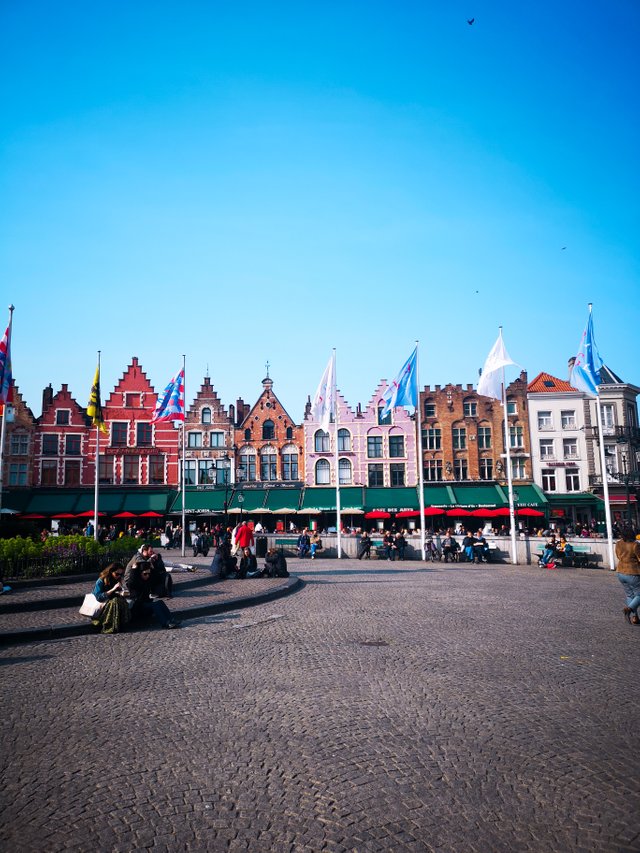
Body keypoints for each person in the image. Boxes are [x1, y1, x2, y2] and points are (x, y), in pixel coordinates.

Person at [127, 561, 181, 629]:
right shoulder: (135, 582)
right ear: (139, 573)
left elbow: (157, 579)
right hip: (138, 606)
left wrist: (152, 569)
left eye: (148, 573)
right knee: (155, 605)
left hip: (146, 604)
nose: (147, 575)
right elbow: (130, 583)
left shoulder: (147, 580)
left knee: (160, 602)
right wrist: (134, 570)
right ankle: (165, 623)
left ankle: (171, 620)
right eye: (145, 574)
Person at [91, 563, 130, 634]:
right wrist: (113, 589)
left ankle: (121, 625)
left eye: (121, 574)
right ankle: (110, 626)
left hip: (115, 601)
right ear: (111, 571)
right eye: (117, 574)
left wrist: (122, 590)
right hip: (103, 604)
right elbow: (99, 597)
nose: (119, 576)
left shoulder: (118, 580)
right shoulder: (101, 580)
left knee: (121, 601)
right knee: (115, 602)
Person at [615, 526, 640, 625]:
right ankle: (629, 609)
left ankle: (635, 618)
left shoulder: (618, 543)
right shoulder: (635, 545)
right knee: (639, 594)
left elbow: (617, 555)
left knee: (630, 595)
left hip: (620, 572)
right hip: (633, 572)